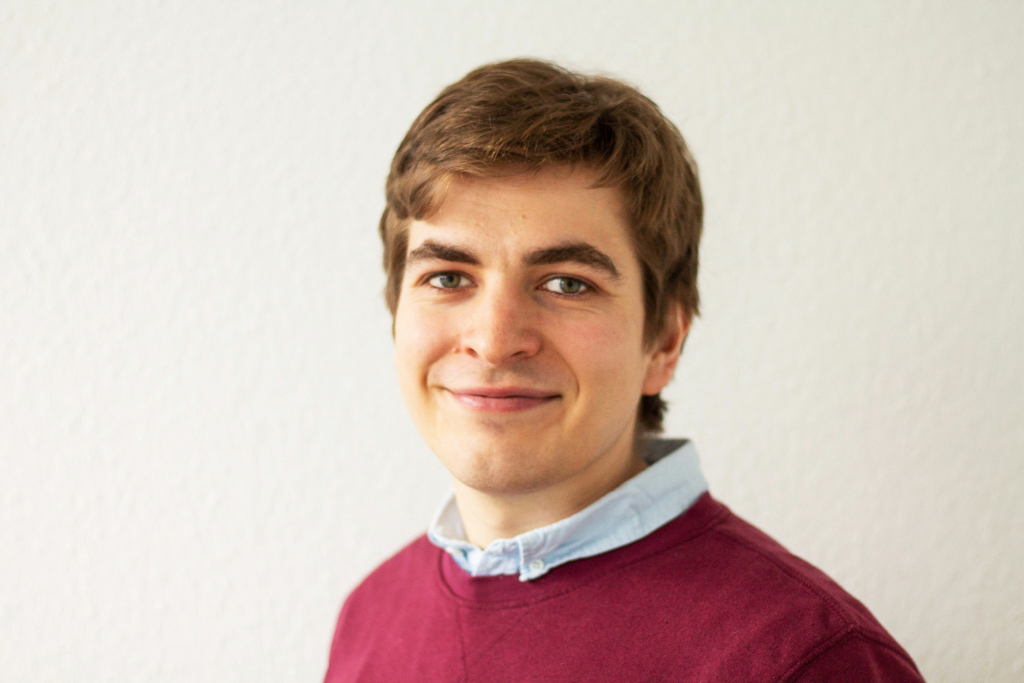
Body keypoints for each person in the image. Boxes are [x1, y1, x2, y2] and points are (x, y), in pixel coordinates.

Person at [323, 58, 925, 682]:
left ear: (663, 341)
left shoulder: (808, 660)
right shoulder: (371, 617)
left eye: (566, 283)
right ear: (397, 314)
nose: (494, 342)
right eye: (448, 277)